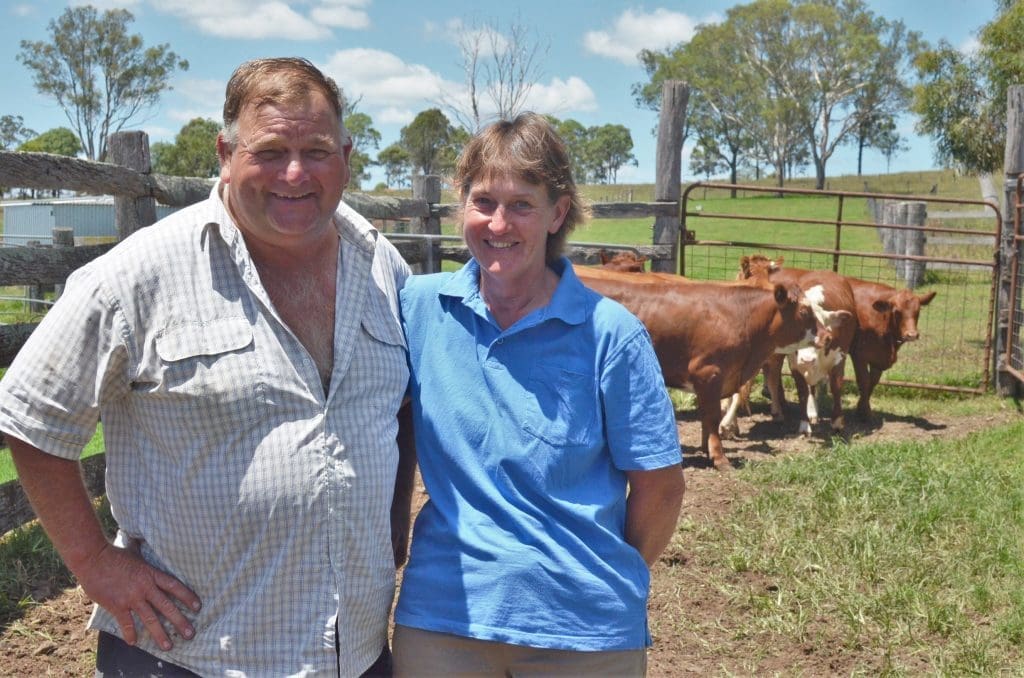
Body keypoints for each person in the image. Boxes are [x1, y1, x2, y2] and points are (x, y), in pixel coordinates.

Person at [0, 57, 415, 677]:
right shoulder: (138, 276)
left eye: (318, 150)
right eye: (270, 151)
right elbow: (28, 416)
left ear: (347, 156)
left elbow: (402, 405)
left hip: (351, 652)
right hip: (192, 654)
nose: (296, 173)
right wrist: (95, 566)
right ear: (225, 152)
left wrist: (392, 522)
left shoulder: (381, 266)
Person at [392, 112, 686, 676]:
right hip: (444, 617)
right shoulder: (420, 308)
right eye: (483, 202)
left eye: (522, 204)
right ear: (462, 206)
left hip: (583, 628)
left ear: (559, 213)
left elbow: (660, 487)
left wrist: (594, 568)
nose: (499, 223)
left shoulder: (609, 333)